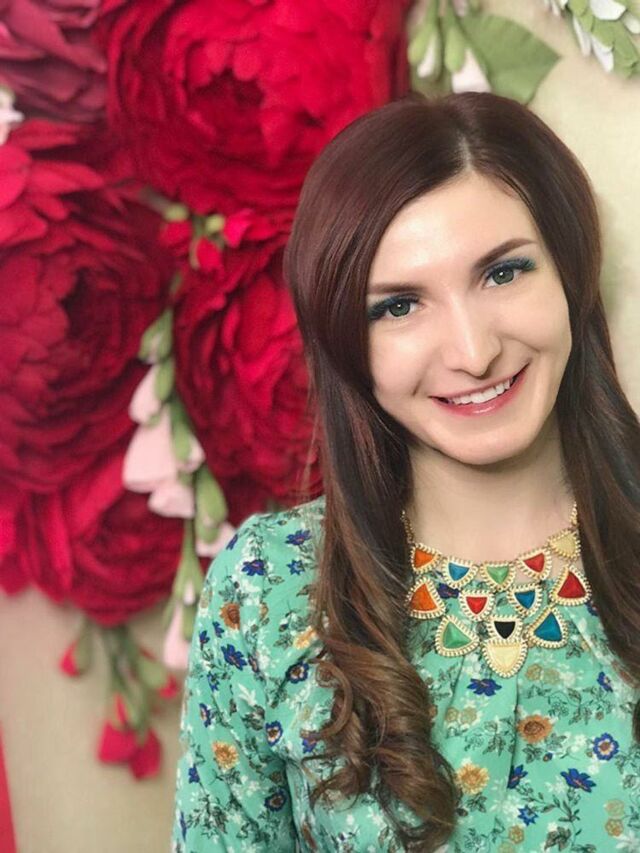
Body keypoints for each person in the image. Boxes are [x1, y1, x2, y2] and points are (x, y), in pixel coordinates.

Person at [171, 92, 640, 852]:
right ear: (344, 341)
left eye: (503, 272)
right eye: (398, 307)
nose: (473, 352)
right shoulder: (268, 589)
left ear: (571, 272)